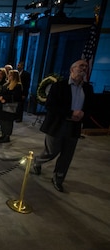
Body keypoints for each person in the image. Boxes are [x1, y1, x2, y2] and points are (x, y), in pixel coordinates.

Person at [33, 59, 94, 192]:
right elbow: (51, 105)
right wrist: (70, 113)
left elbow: (90, 106)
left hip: (75, 126)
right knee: (51, 151)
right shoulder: (59, 86)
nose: (83, 68)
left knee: (67, 155)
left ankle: (58, 178)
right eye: (80, 66)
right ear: (72, 69)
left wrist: (83, 114)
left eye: (85, 66)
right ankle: (36, 161)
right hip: (58, 124)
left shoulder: (88, 88)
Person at [0, 70, 22, 143]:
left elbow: (16, 97)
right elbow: (2, 92)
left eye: (10, 75)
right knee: (3, 121)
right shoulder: (6, 84)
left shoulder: (18, 85)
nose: (9, 76)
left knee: (8, 122)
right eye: (9, 75)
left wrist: (5, 99)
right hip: (3, 105)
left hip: (11, 107)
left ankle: (7, 136)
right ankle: (3, 134)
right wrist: (1, 97)